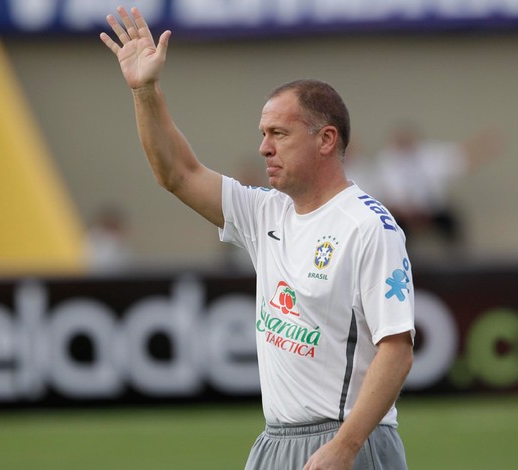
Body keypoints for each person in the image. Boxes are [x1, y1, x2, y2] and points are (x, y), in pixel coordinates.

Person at [100, 7, 415, 470]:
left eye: (279, 134)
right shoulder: (266, 210)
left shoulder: (368, 227)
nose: (264, 147)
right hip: (274, 441)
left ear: (326, 139)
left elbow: (398, 349)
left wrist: (345, 447)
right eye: (263, 134)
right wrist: (145, 91)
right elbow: (178, 173)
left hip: (348, 441)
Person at [375, 121, 503, 253]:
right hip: (403, 215)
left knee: (452, 223)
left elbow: (461, 159)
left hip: (433, 211)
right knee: (391, 231)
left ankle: (458, 262)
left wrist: (485, 144)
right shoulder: (386, 161)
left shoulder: (428, 155)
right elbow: (390, 197)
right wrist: (410, 214)